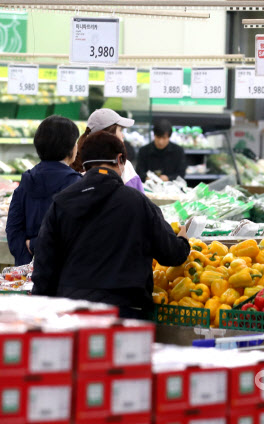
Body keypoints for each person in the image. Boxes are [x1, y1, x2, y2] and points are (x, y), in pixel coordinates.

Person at [32, 131, 190, 319]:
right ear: (120, 159)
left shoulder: (61, 202)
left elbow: (44, 264)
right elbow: (171, 254)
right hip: (126, 311)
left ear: (84, 162)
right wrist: (183, 240)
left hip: (73, 311)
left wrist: (42, 309)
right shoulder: (137, 202)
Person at [6, 116, 82, 265]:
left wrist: (27, 259)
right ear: (70, 148)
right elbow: (74, 233)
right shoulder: (76, 183)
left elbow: (13, 229)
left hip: (28, 272)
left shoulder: (26, 181)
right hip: (64, 273)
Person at [71, 108, 144, 192]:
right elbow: (139, 199)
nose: (122, 135)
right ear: (110, 134)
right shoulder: (123, 166)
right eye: (120, 130)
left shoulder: (77, 163)